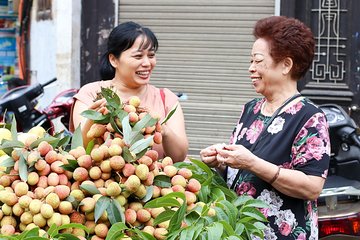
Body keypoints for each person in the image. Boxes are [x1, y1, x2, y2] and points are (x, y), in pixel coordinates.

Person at [200, 16, 330, 239]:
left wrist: (252, 163)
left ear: (286, 65)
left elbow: (312, 186)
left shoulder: (310, 117)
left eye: (258, 61)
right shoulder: (251, 109)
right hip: (242, 231)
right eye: (251, 60)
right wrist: (220, 162)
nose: (251, 68)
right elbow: (239, 170)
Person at [70, 21, 188, 163]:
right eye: (138, 56)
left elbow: (179, 157)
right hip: (102, 183)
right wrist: (94, 118)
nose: (147, 63)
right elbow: (79, 149)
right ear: (114, 60)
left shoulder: (166, 99)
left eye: (151, 55)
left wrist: (163, 129)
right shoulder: (91, 94)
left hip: (152, 183)